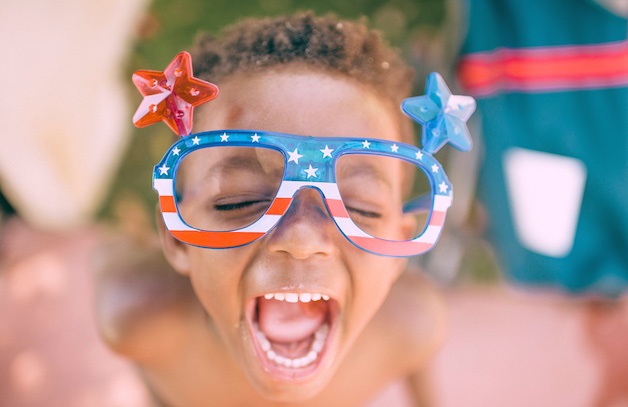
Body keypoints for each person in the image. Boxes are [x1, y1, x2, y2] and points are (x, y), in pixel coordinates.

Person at [94, 11, 475, 406]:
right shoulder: (139, 323)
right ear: (175, 238)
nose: (301, 238)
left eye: (362, 209)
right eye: (238, 202)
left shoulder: (413, 327)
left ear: (400, 244)